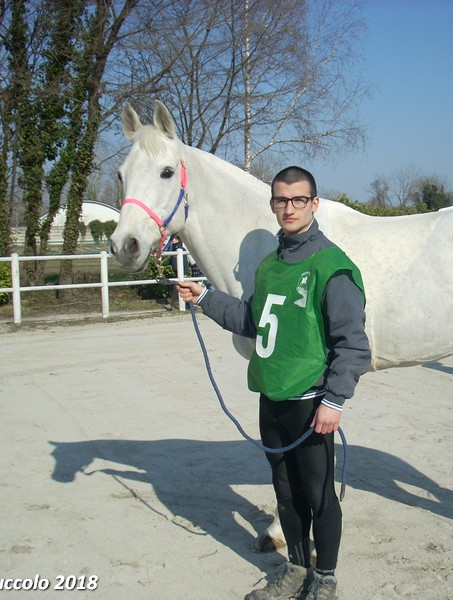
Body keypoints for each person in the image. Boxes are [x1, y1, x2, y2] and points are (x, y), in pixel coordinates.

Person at [176, 166, 371, 600]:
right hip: (271, 398)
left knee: (319, 496)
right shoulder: (268, 266)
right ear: (272, 204)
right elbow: (251, 321)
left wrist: (334, 400)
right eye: (281, 200)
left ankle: (325, 579)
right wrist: (205, 297)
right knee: (285, 494)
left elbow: (354, 345)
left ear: (314, 204)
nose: (289, 208)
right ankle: (296, 569)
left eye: (299, 199)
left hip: (311, 403)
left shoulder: (333, 266)